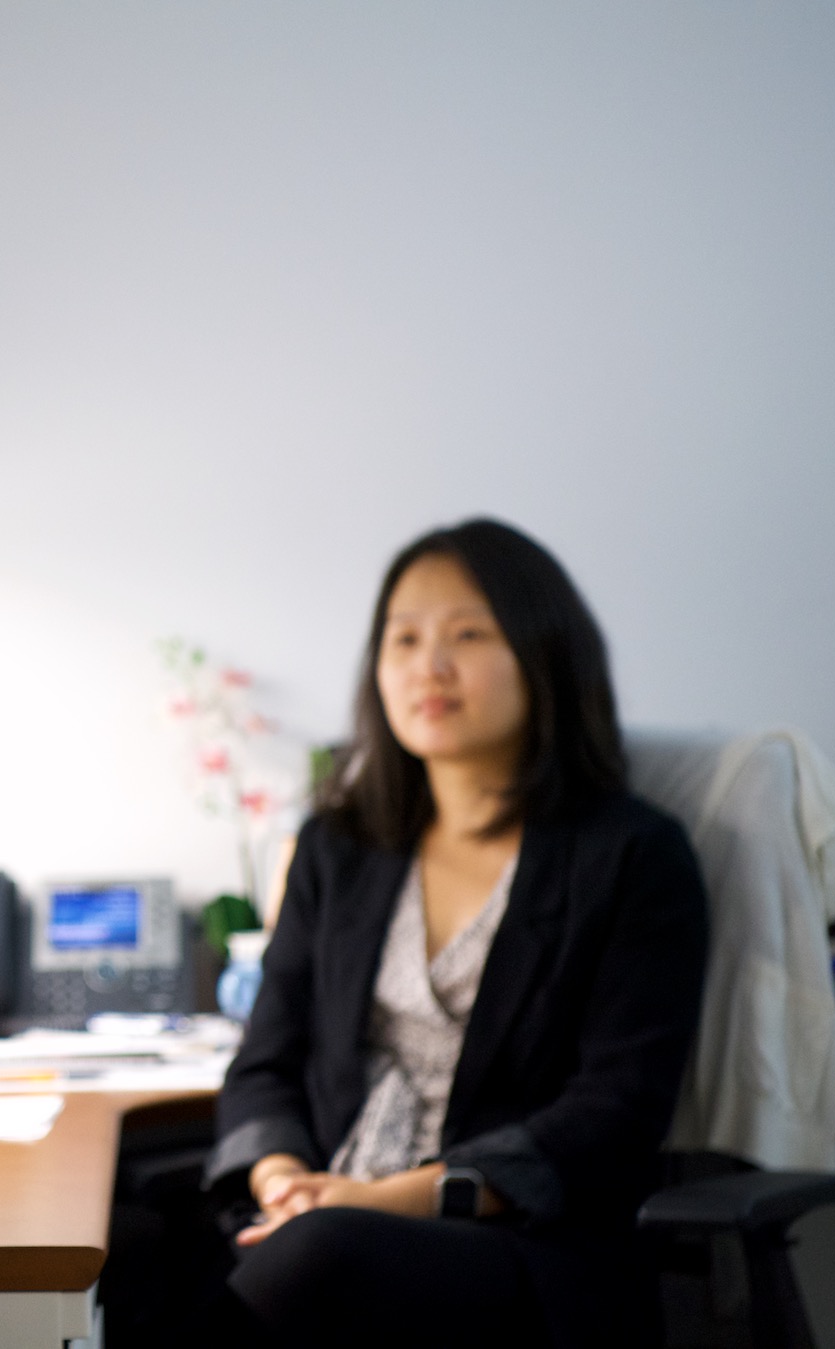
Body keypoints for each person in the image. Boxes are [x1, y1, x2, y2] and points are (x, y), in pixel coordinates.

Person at [191, 519, 708, 1347]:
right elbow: (267, 1059)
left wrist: (390, 1199)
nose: (428, 665)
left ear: (546, 656)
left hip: (520, 1247)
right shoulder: (341, 845)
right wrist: (284, 1179)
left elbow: (615, 1113)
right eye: (404, 639)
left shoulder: (632, 856)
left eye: (468, 634)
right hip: (324, 1215)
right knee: (126, 1247)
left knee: (316, 1259)